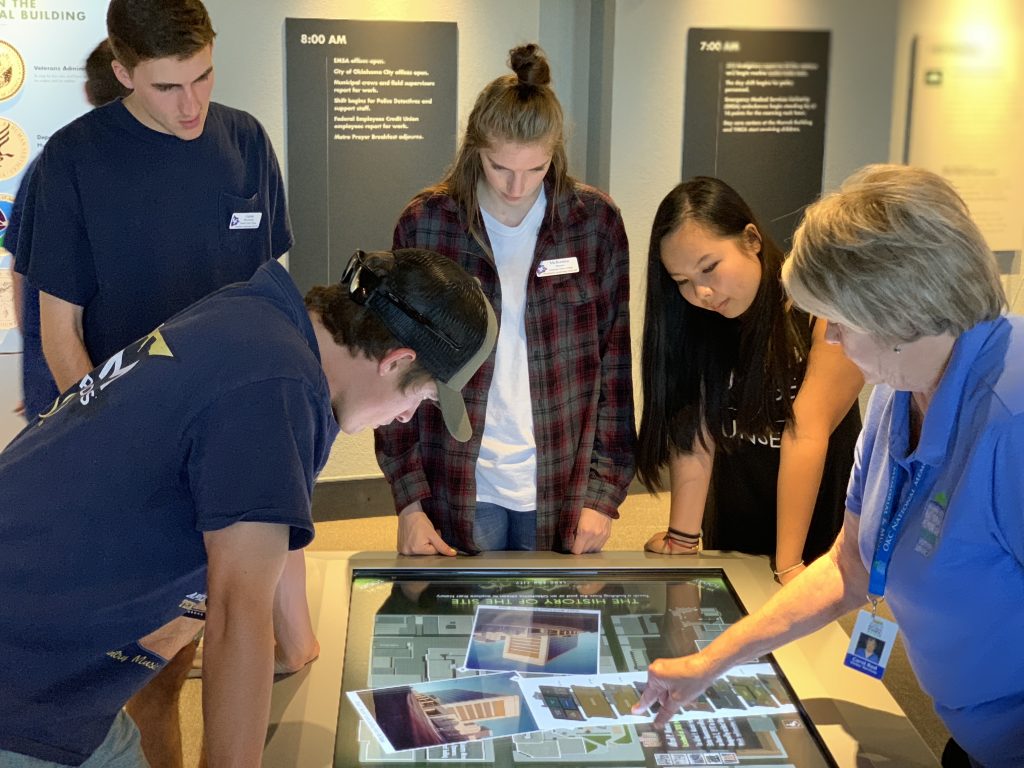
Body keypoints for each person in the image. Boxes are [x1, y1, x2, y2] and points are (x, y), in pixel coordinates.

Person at [0, 248, 497, 767]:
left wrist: (299, 640)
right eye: (419, 400)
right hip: (23, 683)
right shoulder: (272, 390)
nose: (404, 418)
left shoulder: (260, 318)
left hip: (62, 674)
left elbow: (267, 530)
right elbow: (239, 615)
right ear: (396, 360)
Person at [634, 165, 1024, 767]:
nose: (832, 342)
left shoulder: (1011, 420)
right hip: (973, 739)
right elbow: (849, 563)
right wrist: (709, 661)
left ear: (901, 310)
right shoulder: (898, 394)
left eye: (840, 323)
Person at [13, 1, 291, 762]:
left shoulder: (246, 142)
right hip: (131, 464)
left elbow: (273, 292)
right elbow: (60, 332)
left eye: (204, 76)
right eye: (169, 87)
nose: (193, 104)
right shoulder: (74, 160)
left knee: (252, 638)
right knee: (150, 678)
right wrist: (123, 450)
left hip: (232, 451)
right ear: (123, 69)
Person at [376, 43, 635, 556]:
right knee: (471, 626)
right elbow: (394, 369)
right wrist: (409, 501)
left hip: (563, 476)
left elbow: (614, 366)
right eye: (499, 168)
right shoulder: (426, 225)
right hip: (457, 476)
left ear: (554, 154)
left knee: (551, 632)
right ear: (474, 149)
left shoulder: (594, 224)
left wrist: (605, 494)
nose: (517, 187)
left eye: (536, 169)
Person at [636, 177, 864, 583]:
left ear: (751, 239)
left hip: (817, 539)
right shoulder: (705, 319)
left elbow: (806, 434)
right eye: (683, 281)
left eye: (709, 268)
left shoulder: (822, 308)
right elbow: (696, 431)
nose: (702, 292)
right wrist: (684, 538)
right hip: (735, 532)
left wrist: (788, 565)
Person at [8, 39, 130, 421]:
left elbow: (21, 273)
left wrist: (39, 373)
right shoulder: (138, 173)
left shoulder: (49, 166)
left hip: (61, 386)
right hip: (106, 393)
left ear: (88, 92)